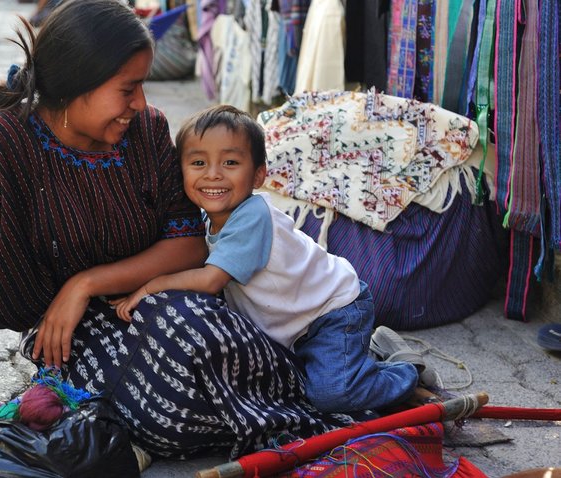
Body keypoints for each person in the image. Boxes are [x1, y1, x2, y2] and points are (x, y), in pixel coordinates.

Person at [0, 0, 361, 461]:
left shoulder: (146, 132)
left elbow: (189, 245)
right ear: (77, 82)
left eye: (142, 85)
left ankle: (332, 377)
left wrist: (84, 283)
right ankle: (320, 386)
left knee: (191, 342)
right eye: (128, 88)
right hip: (75, 335)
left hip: (162, 301)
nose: (141, 103)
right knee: (162, 419)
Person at [113, 104, 419, 413]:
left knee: (331, 395)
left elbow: (210, 279)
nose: (213, 174)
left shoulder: (252, 216)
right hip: (293, 326)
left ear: (259, 174)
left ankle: (403, 371)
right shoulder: (204, 221)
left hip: (333, 312)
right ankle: (364, 359)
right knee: (288, 389)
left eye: (230, 162)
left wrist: (150, 287)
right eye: (198, 162)